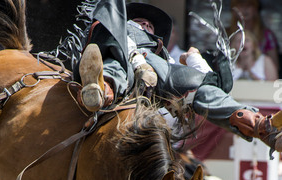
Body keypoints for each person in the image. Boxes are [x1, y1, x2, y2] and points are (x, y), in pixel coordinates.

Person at [75, 0, 282, 155]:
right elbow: (116, 43)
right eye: (140, 22)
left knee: (202, 89)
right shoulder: (117, 32)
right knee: (115, 65)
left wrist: (194, 60)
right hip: (126, 62)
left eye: (150, 25)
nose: (146, 24)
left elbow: (203, 78)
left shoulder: (164, 55)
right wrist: (137, 61)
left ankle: (263, 128)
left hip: (160, 74)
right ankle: (100, 91)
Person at [229, 0, 279, 71]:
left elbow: (275, 66)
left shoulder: (267, 35)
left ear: (256, 9)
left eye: (249, 5)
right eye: (241, 6)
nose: (245, 9)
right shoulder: (226, 34)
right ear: (233, 10)